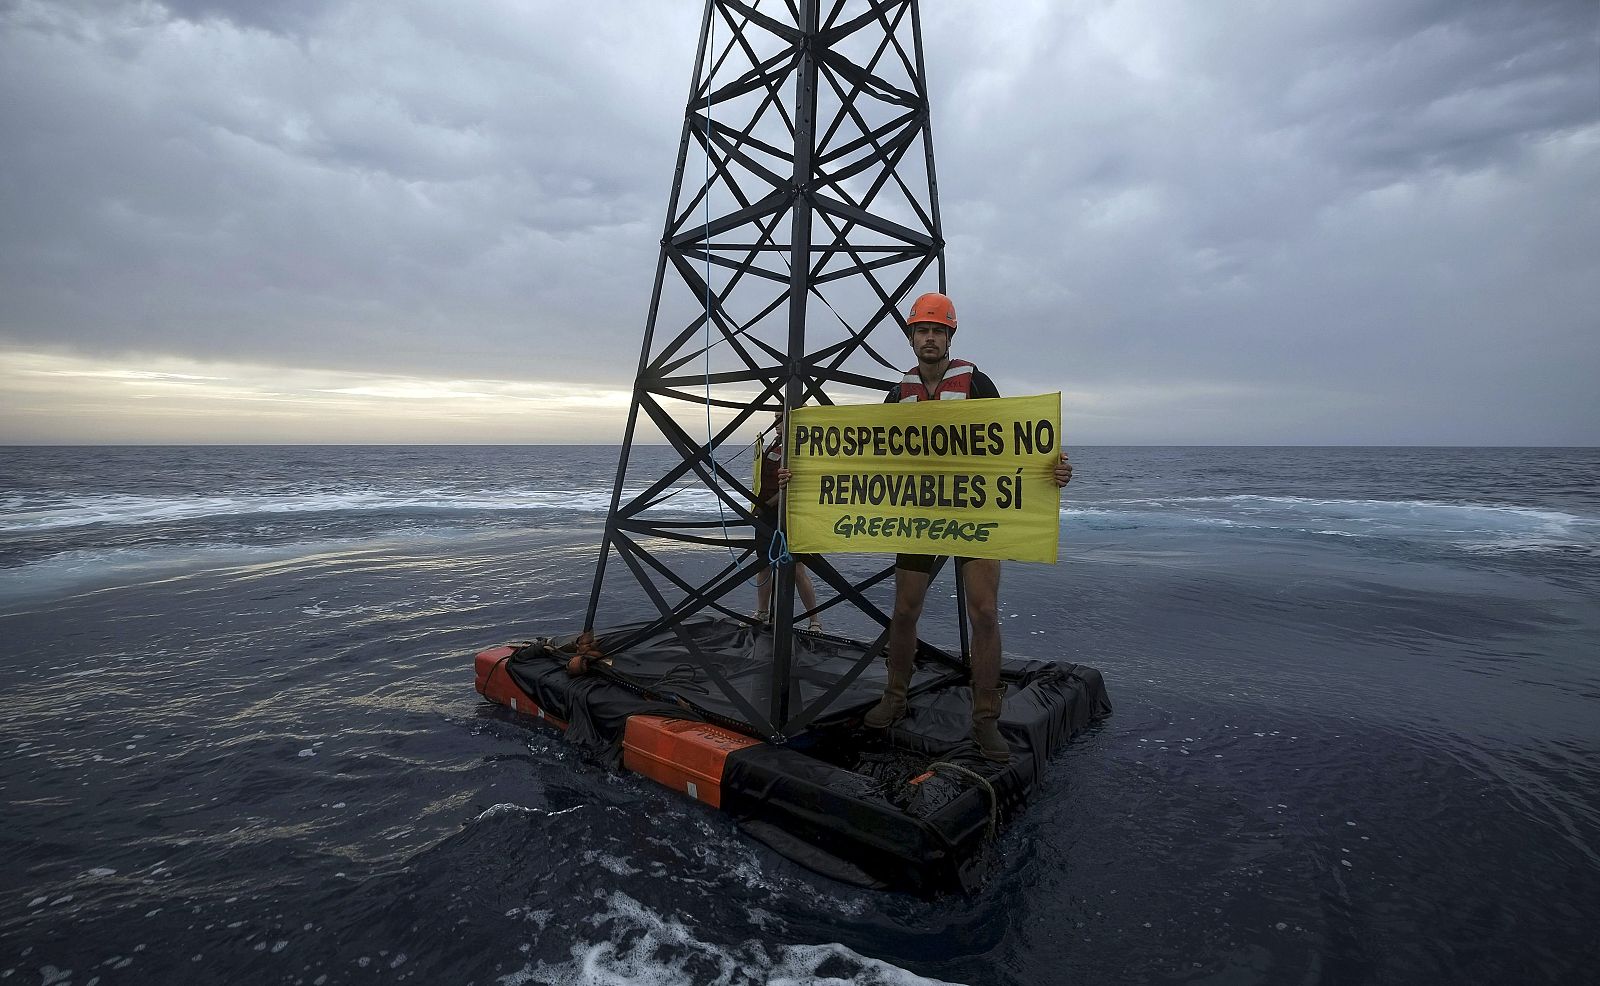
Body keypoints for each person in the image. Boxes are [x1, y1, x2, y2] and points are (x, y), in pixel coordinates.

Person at [842, 291, 1073, 762]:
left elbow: (1013, 440)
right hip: (918, 513)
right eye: (922, 331)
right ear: (911, 338)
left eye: (937, 331)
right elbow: (865, 454)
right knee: (905, 611)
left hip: (971, 511)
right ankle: (895, 696)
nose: (929, 337)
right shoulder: (898, 392)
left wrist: (1054, 471)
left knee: (984, 611)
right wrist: (799, 474)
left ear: (949, 336)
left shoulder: (976, 382)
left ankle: (986, 718)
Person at [752, 408, 823, 632]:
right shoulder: (773, 444)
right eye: (775, 419)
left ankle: (814, 621)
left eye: (781, 419)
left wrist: (768, 504)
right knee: (763, 564)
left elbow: (795, 484)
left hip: (786, 514)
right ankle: (762, 612)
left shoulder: (798, 448)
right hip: (766, 514)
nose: (776, 423)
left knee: (796, 568)